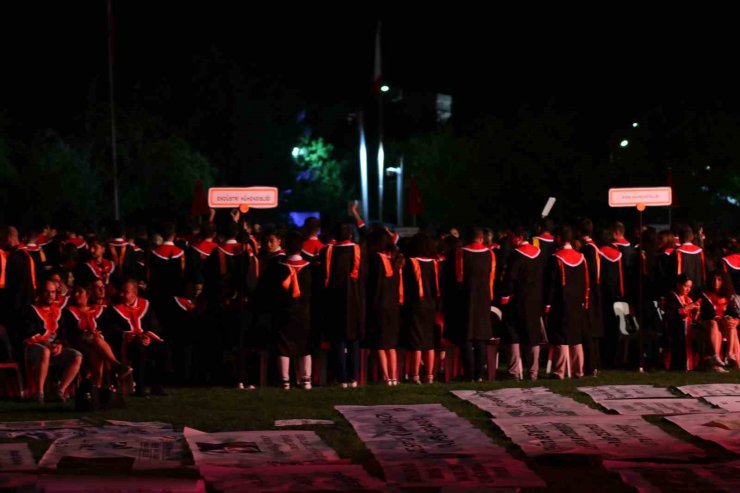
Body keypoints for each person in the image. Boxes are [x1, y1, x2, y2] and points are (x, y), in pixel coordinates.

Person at [261, 231, 313, 389]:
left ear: (285, 247)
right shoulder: (310, 268)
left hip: (283, 312)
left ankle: (285, 381)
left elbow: (269, 291)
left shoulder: (277, 268)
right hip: (304, 312)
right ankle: (306, 380)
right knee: (305, 346)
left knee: (283, 346)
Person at [319, 221, 364, 388]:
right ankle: (353, 378)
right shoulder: (359, 251)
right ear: (350, 234)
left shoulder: (327, 252)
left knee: (338, 340)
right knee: (353, 340)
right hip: (355, 300)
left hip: (334, 300)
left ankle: (341, 378)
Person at [23, 279, 82, 402]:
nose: (50, 295)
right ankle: (39, 393)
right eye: (47, 292)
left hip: (53, 348)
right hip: (35, 348)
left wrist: (59, 344)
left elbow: (62, 334)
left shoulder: (58, 311)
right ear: (40, 292)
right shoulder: (31, 310)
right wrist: (48, 344)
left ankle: (60, 391)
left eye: (53, 292)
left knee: (77, 356)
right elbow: (30, 333)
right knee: (45, 351)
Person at [448, 227, 495, 382]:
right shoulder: (490, 254)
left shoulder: (461, 253)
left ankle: (469, 375)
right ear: (481, 238)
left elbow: (458, 278)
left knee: (467, 337)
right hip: (483, 298)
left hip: (465, 298)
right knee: (480, 337)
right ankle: (479, 374)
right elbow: (491, 279)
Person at [64, 284, 132, 388]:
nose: (76, 295)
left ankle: (97, 387)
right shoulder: (68, 312)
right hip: (77, 342)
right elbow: (68, 331)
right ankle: (116, 365)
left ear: (87, 295)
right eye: (75, 292)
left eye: (80, 292)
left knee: (96, 350)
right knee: (94, 341)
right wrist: (86, 333)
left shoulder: (98, 310)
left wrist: (100, 333)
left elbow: (112, 327)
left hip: (95, 344)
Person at [500, 227, 546, 381]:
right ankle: (533, 371)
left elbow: (510, 278)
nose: (511, 240)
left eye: (512, 237)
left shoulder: (516, 255)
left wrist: (505, 295)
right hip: (535, 300)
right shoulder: (539, 254)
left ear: (519, 237)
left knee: (513, 334)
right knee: (533, 335)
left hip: (518, 300)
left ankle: (514, 371)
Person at [545, 226, 589, 379]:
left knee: (561, 337)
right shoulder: (581, 258)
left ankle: (560, 371)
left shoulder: (556, 258)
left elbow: (551, 285)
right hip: (577, 303)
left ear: (559, 238)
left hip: (560, 303)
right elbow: (586, 282)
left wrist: (547, 304)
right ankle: (578, 370)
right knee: (576, 337)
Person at [109, 279, 166, 395]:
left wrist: (148, 337)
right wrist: (133, 336)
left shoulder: (145, 304)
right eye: (121, 291)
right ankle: (140, 387)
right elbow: (113, 329)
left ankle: (157, 385)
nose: (121, 294)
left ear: (135, 293)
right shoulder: (114, 309)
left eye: (125, 292)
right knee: (138, 349)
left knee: (163, 347)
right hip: (127, 343)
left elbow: (154, 324)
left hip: (145, 339)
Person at [365, 228, 402, 385]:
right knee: (391, 345)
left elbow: (371, 285)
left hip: (379, 305)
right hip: (393, 307)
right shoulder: (394, 260)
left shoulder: (375, 259)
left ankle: (385, 377)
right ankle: (394, 377)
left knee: (380, 344)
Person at [402, 233, 439, 384]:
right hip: (431, 304)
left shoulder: (410, 262)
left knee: (416, 341)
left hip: (415, 304)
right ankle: (429, 375)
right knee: (429, 341)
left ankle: (414, 375)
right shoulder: (434, 263)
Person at [664, 274, 703, 371]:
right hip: (675, 326)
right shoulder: (672, 296)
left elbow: (693, 318)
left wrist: (697, 310)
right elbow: (672, 314)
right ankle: (679, 365)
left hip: (687, 327)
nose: (687, 289)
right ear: (678, 285)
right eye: (685, 286)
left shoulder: (688, 299)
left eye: (689, 287)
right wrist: (688, 307)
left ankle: (697, 364)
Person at [699, 271, 736, 371]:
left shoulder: (728, 295)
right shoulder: (705, 294)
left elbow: (733, 312)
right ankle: (715, 357)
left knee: (731, 322)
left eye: (719, 280)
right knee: (714, 324)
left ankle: (730, 354)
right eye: (714, 279)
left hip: (724, 324)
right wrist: (721, 319)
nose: (716, 282)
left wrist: (734, 320)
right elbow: (707, 313)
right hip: (708, 322)